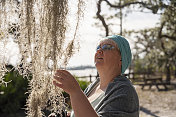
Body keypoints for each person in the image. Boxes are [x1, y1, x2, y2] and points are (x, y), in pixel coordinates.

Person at [53, 35, 139, 117]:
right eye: (98, 47)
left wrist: (75, 92)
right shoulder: (94, 85)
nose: (99, 51)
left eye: (107, 47)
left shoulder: (125, 90)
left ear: (121, 58)